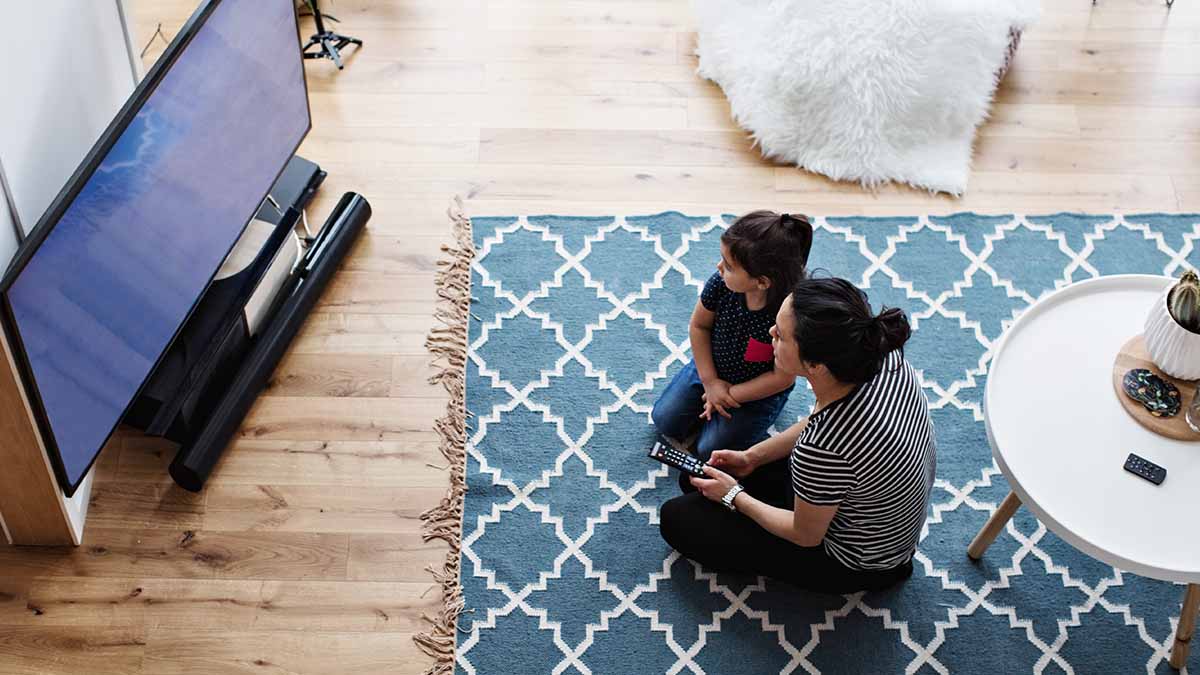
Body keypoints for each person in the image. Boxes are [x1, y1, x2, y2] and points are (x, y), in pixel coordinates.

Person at [659, 277, 937, 594]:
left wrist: (734, 496)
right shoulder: (885, 357)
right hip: (871, 507)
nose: (770, 334)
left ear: (815, 364)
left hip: (854, 560)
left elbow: (805, 535)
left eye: (781, 335)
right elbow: (821, 419)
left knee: (676, 518)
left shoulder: (822, 447)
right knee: (696, 477)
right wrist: (752, 457)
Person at [651, 211, 813, 463]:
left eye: (728, 266)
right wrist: (711, 382)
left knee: (709, 451)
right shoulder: (720, 284)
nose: (718, 267)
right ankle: (708, 400)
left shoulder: (787, 314)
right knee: (664, 420)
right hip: (711, 369)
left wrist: (730, 395)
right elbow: (699, 327)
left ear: (761, 282)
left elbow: (781, 378)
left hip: (757, 392)